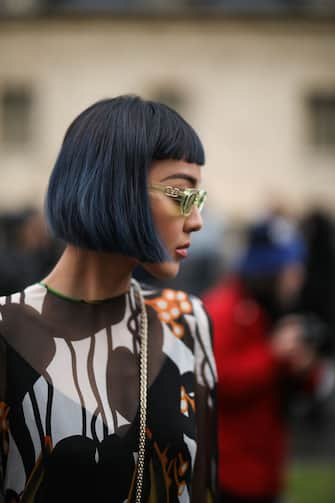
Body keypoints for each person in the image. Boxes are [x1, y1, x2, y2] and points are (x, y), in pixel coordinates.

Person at [0, 95, 217, 503]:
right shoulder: (6, 332)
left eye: (198, 198)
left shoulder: (188, 322)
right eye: (182, 194)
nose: (197, 219)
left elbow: (203, 489)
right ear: (116, 187)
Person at [203, 215, 328, 503]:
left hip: (264, 469)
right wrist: (274, 355)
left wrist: (303, 366)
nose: (298, 276)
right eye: (290, 268)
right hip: (229, 474)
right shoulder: (224, 309)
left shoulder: (273, 308)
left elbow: (304, 385)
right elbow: (219, 380)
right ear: (269, 269)